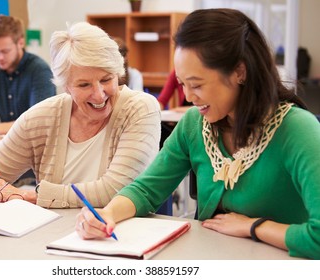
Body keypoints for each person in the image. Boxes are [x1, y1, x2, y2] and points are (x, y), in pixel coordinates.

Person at [75, 9, 320, 260]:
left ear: (240, 72)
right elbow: (146, 190)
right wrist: (108, 214)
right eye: (182, 84)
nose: (189, 97)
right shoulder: (194, 124)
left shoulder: (297, 129)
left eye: (197, 84)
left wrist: (254, 227)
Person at [0, 22, 161, 210]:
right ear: (66, 86)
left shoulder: (140, 108)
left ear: (118, 74)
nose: (98, 94)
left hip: (121, 236)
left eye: (106, 79)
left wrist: (27, 196)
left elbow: (115, 191)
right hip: (53, 237)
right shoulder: (43, 117)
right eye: (84, 84)